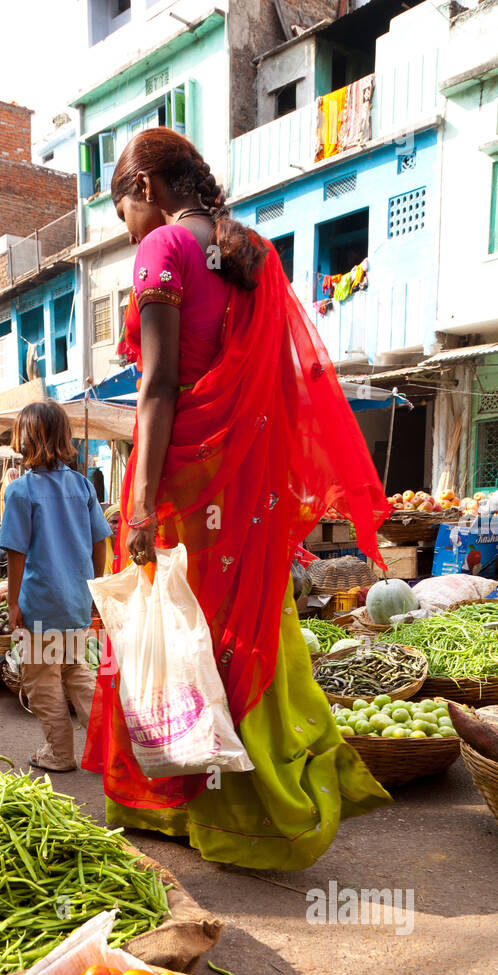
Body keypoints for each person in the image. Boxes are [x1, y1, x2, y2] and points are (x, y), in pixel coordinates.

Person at [82, 128, 392, 870]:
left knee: (169, 629)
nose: (126, 226)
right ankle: (269, 800)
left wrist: (143, 502)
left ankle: (175, 803)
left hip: (182, 481)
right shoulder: (248, 252)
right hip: (242, 479)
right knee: (242, 631)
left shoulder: (162, 250)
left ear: (147, 189)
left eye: (123, 207)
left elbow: (158, 386)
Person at [0, 400, 110, 773]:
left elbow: (15, 552)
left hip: (40, 604)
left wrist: (13, 602)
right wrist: (95, 589)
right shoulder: (81, 486)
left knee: (42, 678)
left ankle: (60, 753)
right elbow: (100, 542)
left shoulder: (21, 491)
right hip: (76, 601)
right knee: (76, 671)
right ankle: (110, 748)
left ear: (25, 439)